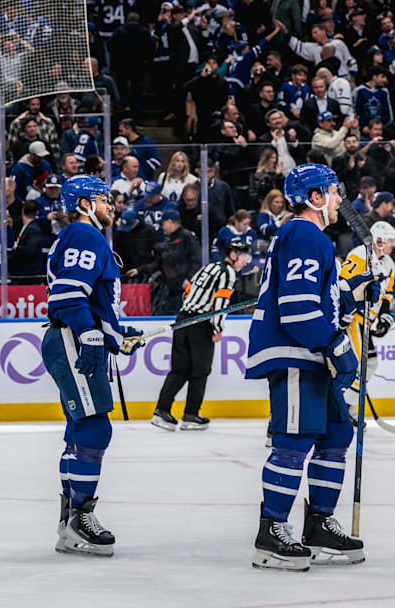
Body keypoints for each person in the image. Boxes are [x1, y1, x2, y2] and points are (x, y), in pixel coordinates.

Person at [246, 163, 373, 571]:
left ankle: (318, 524)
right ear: (315, 198)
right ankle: (272, 530)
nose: (339, 200)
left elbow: (322, 305)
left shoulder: (312, 239)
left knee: (336, 433)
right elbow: (298, 310)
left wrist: (351, 294)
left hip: (312, 353)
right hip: (296, 352)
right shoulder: (303, 233)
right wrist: (338, 347)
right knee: (295, 440)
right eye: (334, 192)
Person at [42, 174, 143, 557]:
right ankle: (79, 519)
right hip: (72, 339)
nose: (110, 205)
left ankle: (70, 521)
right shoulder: (84, 234)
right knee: (95, 428)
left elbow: (90, 302)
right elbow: (69, 295)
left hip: (71, 336)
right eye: (103, 199)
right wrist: (90, 334)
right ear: (84, 204)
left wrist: (116, 333)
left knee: (80, 429)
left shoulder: (82, 236)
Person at [151, 239, 249, 432]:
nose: (245, 261)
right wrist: (218, 328)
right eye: (243, 257)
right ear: (233, 255)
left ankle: (161, 411)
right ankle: (191, 415)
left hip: (183, 319)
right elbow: (220, 302)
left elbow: (188, 291)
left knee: (179, 369)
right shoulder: (228, 273)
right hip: (200, 324)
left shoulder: (209, 267)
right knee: (200, 370)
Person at [339, 221, 395, 424]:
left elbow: (388, 292)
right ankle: (340, 408)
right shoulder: (359, 255)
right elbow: (342, 283)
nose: (393, 244)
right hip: (353, 318)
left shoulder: (389, 264)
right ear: (379, 241)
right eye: (390, 240)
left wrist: (384, 316)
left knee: (369, 364)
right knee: (357, 366)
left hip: (367, 322)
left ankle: (346, 405)